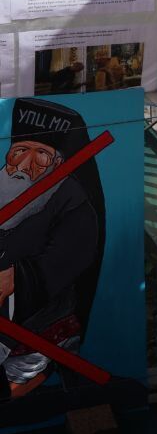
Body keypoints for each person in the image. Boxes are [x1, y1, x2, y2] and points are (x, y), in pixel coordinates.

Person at [0, 99, 106, 401]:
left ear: (59, 164)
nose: (25, 164)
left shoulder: (71, 199)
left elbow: (73, 255)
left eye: (42, 155)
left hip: (37, 316)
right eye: (20, 151)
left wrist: (16, 278)